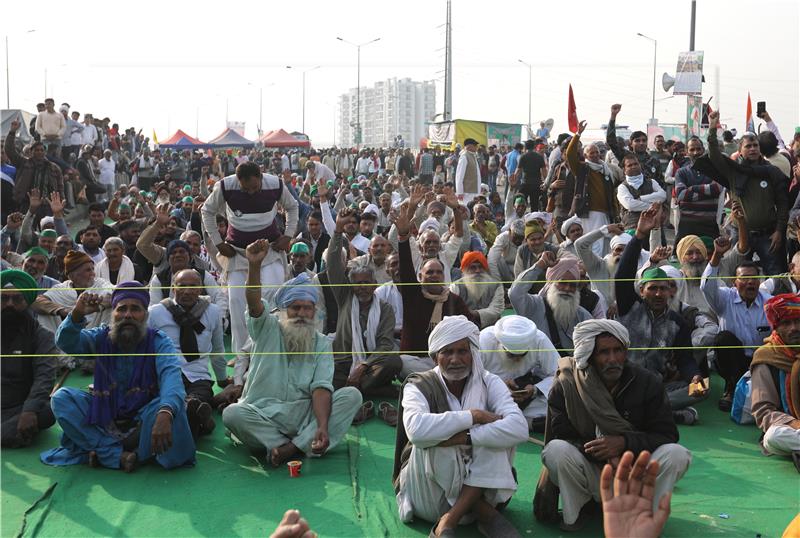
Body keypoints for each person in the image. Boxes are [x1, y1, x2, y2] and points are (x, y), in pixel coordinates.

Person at [539, 319, 690, 531]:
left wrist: (623, 443)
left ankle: (648, 513)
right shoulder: (567, 384)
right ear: (589, 355)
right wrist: (601, 450)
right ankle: (576, 513)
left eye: (618, 350)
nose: (613, 359)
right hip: (592, 471)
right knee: (556, 451)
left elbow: (666, 435)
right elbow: (562, 435)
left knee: (676, 454)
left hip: (635, 471)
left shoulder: (647, 382)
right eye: (604, 352)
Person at [221, 242, 362, 467]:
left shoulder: (321, 343)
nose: (302, 313)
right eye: (295, 307)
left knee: (352, 396)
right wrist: (254, 265)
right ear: (284, 310)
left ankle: (291, 447)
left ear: (315, 312)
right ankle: (301, 444)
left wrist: (322, 426)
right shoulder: (267, 328)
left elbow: (321, 387)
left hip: (303, 416)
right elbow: (254, 303)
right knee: (232, 414)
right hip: (262, 414)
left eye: (308, 308)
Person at [393, 316, 528, 537]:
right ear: (436, 357)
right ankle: (487, 515)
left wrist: (466, 438)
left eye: (462, 351)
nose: (455, 359)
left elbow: (519, 427)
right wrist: (473, 416)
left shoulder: (488, 381)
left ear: (473, 353)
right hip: (427, 495)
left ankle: (448, 521)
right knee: (435, 441)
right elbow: (417, 431)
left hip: (475, 485)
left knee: (490, 440)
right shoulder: (419, 385)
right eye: (447, 352)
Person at [41, 282, 196, 472]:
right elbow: (67, 343)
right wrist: (78, 313)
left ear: (145, 315)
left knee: (170, 407)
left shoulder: (159, 341)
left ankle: (102, 450)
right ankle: (120, 454)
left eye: (135, 309)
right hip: (105, 414)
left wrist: (165, 413)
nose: (128, 315)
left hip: (143, 418)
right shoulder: (101, 337)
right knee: (61, 398)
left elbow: (171, 378)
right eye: (122, 309)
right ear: (113, 314)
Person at [200, 161, 299, 375]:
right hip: (236, 251)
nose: (251, 192)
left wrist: (288, 235)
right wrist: (218, 242)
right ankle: (241, 354)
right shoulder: (226, 186)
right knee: (236, 300)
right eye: (246, 188)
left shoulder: (276, 184)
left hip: (270, 250)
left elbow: (292, 206)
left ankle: (273, 349)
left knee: (274, 294)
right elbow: (206, 211)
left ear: (261, 176)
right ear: (238, 181)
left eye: (255, 187)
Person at [700, 110, 789, 275]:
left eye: (756, 145)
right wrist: (712, 127)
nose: (753, 149)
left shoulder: (771, 172)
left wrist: (779, 231)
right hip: (740, 233)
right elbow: (714, 154)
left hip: (768, 235)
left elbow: (783, 204)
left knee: (775, 276)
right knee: (737, 274)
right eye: (748, 146)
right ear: (740, 150)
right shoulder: (734, 171)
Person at [395, 201, 478, 376]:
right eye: (429, 272)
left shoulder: (453, 300)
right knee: (398, 362)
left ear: (444, 276)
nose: (434, 275)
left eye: (438, 272)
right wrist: (403, 236)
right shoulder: (413, 294)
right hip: (415, 361)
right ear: (420, 277)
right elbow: (405, 267)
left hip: (445, 362)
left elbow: (471, 326)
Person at [326, 212, 401, 397]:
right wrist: (337, 231)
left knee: (394, 362)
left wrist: (363, 365)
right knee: (324, 376)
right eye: (357, 283)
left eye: (366, 283)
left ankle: (357, 389)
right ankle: (372, 390)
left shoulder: (385, 309)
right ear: (350, 286)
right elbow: (333, 264)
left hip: (371, 363)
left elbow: (385, 344)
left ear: (374, 285)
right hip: (343, 361)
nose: (362, 287)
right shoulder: (345, 298)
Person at [148, 269, 227, 438]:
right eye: (182, 286)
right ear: (173, 288)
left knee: (202, 394)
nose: (188, 291)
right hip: (168, 373)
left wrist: (221, 379)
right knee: (169, 398)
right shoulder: (156, 312)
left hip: (198, 375)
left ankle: (191, 408)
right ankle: (198, 418)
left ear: (200, 289)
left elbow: (218, 349)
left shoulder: (212, 311)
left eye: (193, 286)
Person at [701, 237, 772, 411]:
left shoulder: (769, 303)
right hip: (732, 361)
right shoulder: (725, 298)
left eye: (754, 278)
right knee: (723, 338)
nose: (750, 282)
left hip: (760, 360)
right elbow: (706, 287)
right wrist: (717, 255)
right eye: (745, 278)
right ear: (735, 282)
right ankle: (731, 388)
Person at [1, 269, 57, 447]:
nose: (9, 304)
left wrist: (30, 409)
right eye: (3, 298)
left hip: (19, 408)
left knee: (48, 413)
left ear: (28, 302)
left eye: (17, 299)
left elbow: (45, 377)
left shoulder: (42, 336)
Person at [479, 315, 559, 427]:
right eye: (511, 355)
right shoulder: (484, 340)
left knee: (557, 401)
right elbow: (472, 378)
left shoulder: (539, 339)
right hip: (489, 395)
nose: (517, 360)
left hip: (523, 395)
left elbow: (559, 374)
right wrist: (497, 386)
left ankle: (510, 421)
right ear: (500, 344)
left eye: (523, 355)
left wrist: (535, 389)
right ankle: (525, 423)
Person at [751, 293, 800, 470]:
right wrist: (795, 424)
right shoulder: (766, 356)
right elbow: (763, 411)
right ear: (776, 328)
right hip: (791, 428)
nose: (794, 328)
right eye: (786, 323)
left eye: (798, 321)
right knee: (773, 437)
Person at [510, 255, 592, 356]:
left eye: (572, 285)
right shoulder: (534, 306)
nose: (567, 289)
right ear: (551, 283)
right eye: (563, 283)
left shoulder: (582, 315)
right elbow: (515, 293)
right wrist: (540, 265)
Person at [565, 121, 619, 257]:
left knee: (606, 243)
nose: (595, 155)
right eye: (591, 153)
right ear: (585, 155)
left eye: (597, 152)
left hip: (605, 213)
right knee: (594, 244)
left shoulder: (605, 169)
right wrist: (578, 134)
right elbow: (570, 154)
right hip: (589, 213)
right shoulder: (582, 168)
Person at [5, 119, 64, 217]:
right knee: (26, 230)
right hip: (26, 204)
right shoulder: (24, 163)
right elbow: (9, 150)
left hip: (47, 205)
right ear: (31, 152)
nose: (39, 152)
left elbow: (60, 187)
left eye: (42, 150)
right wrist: (12, 132)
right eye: (36, 150)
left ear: (45, 152)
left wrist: (61, 203)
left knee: (47, 230)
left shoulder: (54, 168)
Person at [674, 136, 723, 243]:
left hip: (710, 226)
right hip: (686, 227)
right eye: (692, 149)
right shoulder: (681, 172)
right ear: (687, 152)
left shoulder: (714, 170)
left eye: (698, 149)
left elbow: (717, 188)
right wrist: (708, 193)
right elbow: (681, 194)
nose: (696, 152)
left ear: (703, 150)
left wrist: (692, 188)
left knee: (713, 257)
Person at [449, 251, 505, 329]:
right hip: (463, 327)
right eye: (473, 267)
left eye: (480, 267)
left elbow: (496, 310)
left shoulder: (496, 285)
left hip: (490, 327)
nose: (477, 271)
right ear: (465, 270)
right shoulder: (456, 286)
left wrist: (473, 313)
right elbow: (451, 309)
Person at [517, 139, 547, 211]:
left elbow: (518, 170)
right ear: (534, 147)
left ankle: (521, 218)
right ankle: (533, 219)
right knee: (534, 205)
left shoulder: (523, 156)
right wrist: (546, 183)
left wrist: (514, 179)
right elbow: (544, 172)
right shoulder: (539, 157)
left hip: (525, 183)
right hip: (536, 184)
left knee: (520, 203)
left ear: (525, 147)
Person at [455, 138, 482, 203]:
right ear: (469, 146)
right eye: (475, 145)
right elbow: (459, 176)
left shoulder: (473, 155)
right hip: (466, 193)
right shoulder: (464, 157)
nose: (476, 147)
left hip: (474, 191)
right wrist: (459, 192)